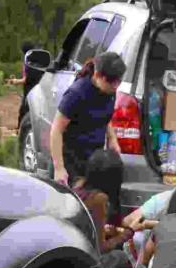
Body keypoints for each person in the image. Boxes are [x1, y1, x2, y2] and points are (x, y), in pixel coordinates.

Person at [71, 149, 135, 268]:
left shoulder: (77, 187)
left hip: (71, 254)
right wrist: (126, 234)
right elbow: (100, 248)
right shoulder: (99, 199)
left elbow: (87, 228)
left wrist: (108, 232)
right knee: (121, 257)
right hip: (84, 263)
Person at [50, 51, 126, 186]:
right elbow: (56, 130)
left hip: (93, 160)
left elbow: (105, 117)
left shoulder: (109, 91)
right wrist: (59, 168)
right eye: (111, 82)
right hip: (71, 161)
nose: (115, 86)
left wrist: (112, 139)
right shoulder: (76, 93)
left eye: (118, 82)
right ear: (97, 75)